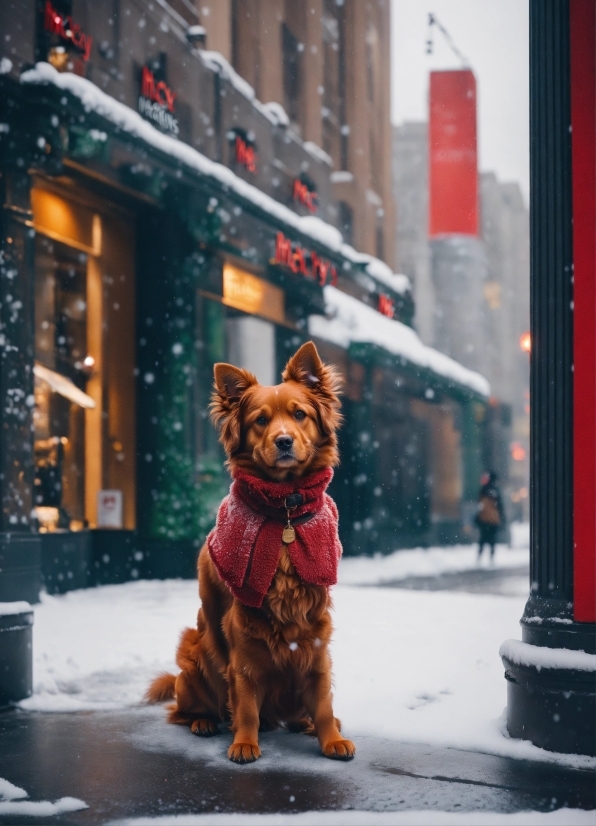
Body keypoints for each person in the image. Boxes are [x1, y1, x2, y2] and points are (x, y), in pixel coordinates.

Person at [475, 470, 505, 562]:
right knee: (492, 539)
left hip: (484, 519)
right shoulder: (496, 491)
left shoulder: (484, 489)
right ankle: (491, 558)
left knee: (482, 538)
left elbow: (480, 505)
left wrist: (478, 516)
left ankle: (479, 557)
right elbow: (500, 506)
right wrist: (502, 518)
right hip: (494, 519)